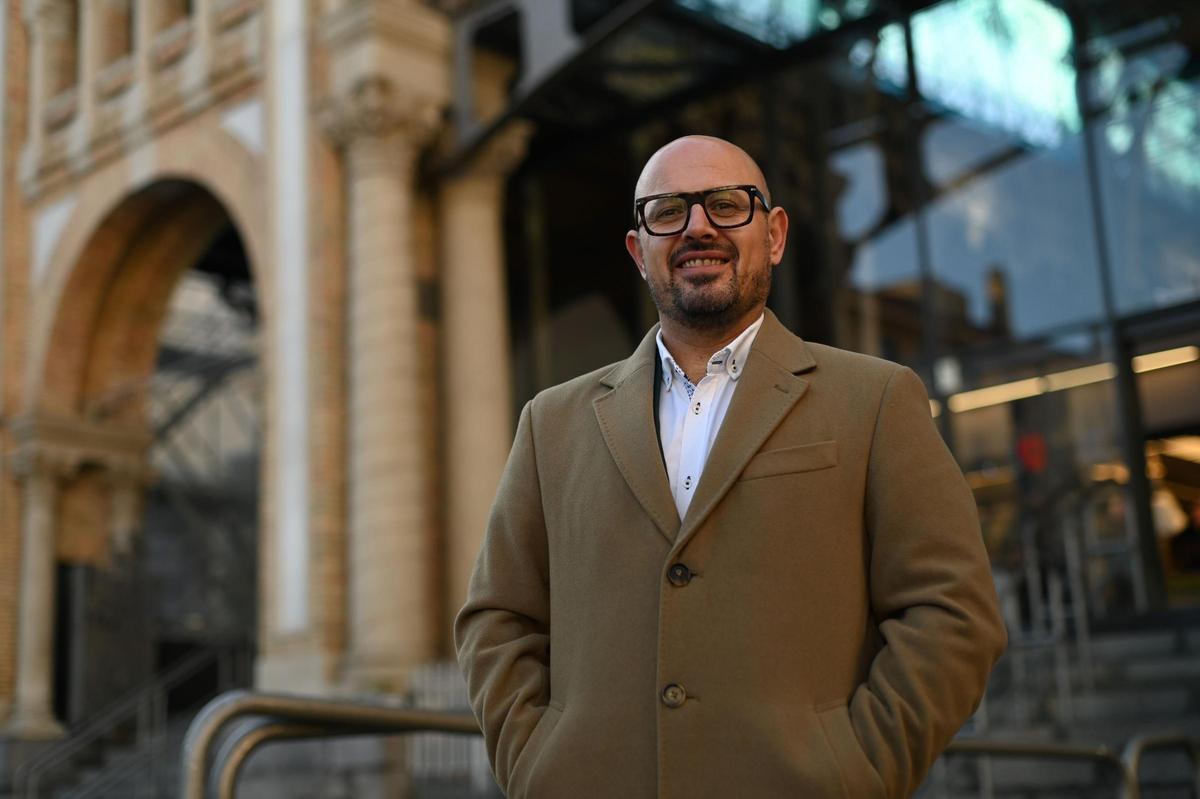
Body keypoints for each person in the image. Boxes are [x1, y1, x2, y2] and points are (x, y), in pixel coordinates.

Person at [455, 135, 1007, 798]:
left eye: (725, 204)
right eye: (667, 212)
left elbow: (954, 612)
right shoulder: (551, 423)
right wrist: (537, 762)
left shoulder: (877, 399)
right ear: (639, 250)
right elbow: (497, 617)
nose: (697, 228)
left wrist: (858, 769)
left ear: (774, 234)